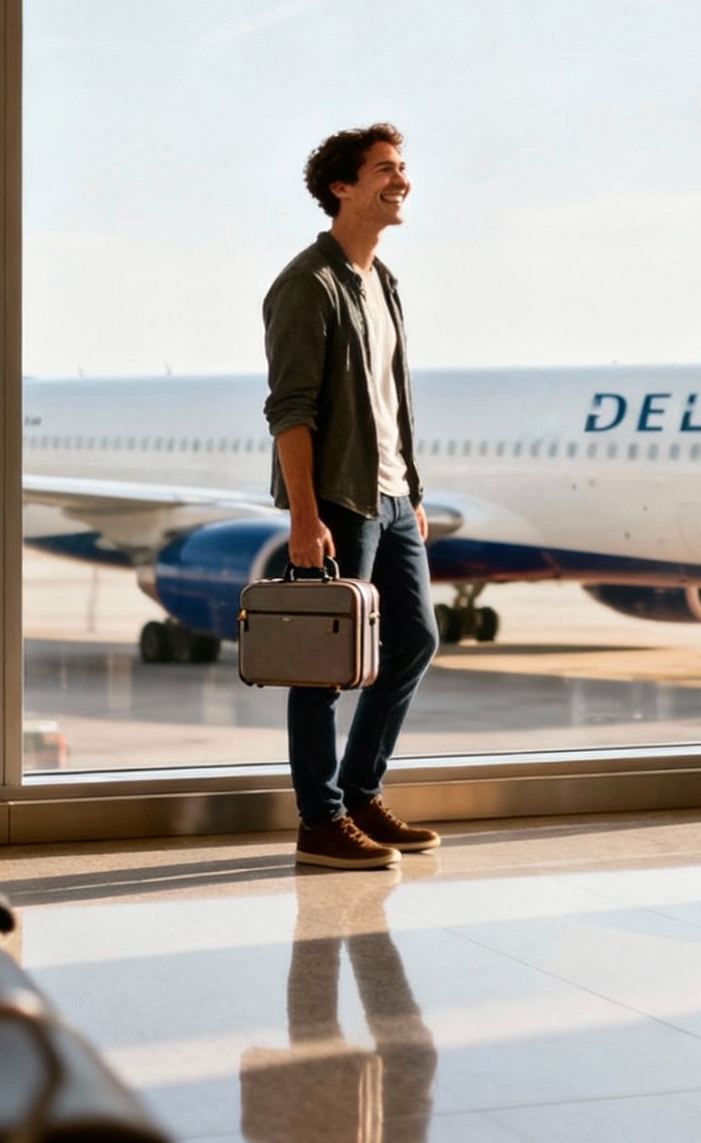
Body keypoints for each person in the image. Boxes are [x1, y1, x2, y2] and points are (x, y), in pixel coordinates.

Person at [263, 123, 442, 870]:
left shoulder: (383, 280)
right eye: (384, 169)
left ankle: (361, 793)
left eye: (402, 168)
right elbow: (290, 410)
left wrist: (415, 492)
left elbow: (391, 400)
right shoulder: (308, 283)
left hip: (395, 498)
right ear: (342, 186)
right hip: (338, 500)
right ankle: (320, 821)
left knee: (415, 641)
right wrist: (305, 516)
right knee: (324, 666)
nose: (401, 180)